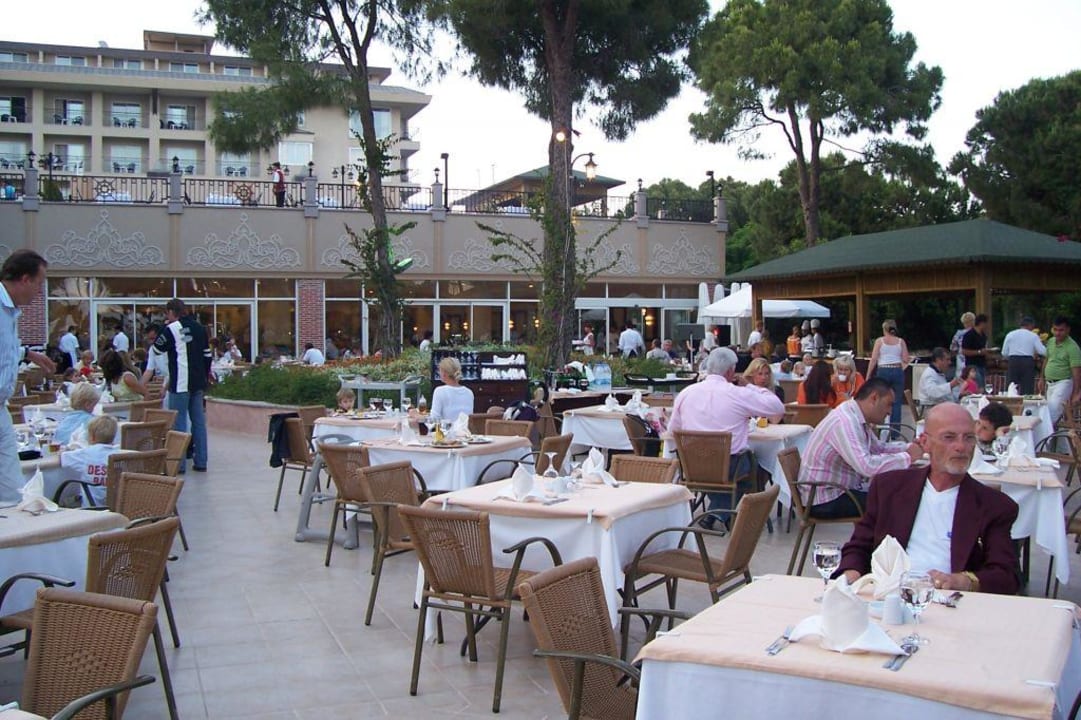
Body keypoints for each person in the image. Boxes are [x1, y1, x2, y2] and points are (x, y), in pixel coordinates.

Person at [837, 403, 1020, 595]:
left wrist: (963, 580)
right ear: (925, 442)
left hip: (950, 601)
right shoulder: (889, 488)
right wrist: (852, 575)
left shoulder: (993, 506)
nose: (961, 447)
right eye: (949, 437)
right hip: (887, 598)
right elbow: (859, 546)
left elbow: (1006, 576)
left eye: (969, 438)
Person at [668, 347, 784, 526]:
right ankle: (718, 513)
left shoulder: (686, 393)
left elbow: (673, 429)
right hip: (728, 465)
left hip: (692, 465)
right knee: (754, 467)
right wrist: (750, 385)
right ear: (731, 370)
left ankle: (718, 513)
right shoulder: (738, 394)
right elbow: (777, 408)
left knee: (734, 468)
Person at [799, 378, 922, 518]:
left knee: (894, 490)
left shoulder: (855, 415)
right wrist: (908, 457)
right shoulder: (846, 422)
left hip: (837, 491)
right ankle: (885, 540)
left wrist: (909, 448)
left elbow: (878, 448)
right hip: (824, 499)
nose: (890, 412)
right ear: (874, 398)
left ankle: (879, 539)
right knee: (897, 500)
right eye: (889, 405)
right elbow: (867, 467)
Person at [0, 249, 56, 502]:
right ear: (25, 279)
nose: (39, 291)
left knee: (13, 490)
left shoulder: (9, 312)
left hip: (2, 407)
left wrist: (28, 353)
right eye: (39, 283)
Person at [155, 298, 212, 473]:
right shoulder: (200, 329)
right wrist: (204, 374)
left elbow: (157, 348)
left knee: (179, 423)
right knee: (199, 422)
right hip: (198, 382)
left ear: (171, 312)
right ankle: (201, 461)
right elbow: (207, 355)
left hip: (180, 382)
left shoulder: (171, 329)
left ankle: (178, 464)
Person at [59, 415, 120, 507]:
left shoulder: (85, 454)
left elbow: (63, 457)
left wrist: (64, 450)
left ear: (92, 437)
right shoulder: (120, 455)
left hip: (91, 506)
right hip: (115, 506)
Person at [866, 319, 909, 429]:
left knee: (880, 398)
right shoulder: (901, 341)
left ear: (884, 329)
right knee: (897, 401)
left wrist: (868, 375)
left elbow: (874, 359)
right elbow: (905, 358)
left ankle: (879, 426)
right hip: (897, 370)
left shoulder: (880, 341)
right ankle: (895, 432)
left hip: (883, 370)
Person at [1039, 316, 1081, 426]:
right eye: (1055, 329)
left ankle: (1047, 442)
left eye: (1061, 330)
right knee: (1053, 414)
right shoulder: (1051, 341)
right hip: (1050, 383)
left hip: (1063, 383)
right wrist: (1041, 378)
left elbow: (1076, 371)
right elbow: (1046, 360)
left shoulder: (1073, 347)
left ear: (1068, 330)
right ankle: (1062, 443)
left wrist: (1076, 393)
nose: (1057, 333)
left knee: (1052, 414)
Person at [1002, 316, 1045, 395]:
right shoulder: (1033, 336)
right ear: (1031, 325)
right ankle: (1026, 405)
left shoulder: (1010, 334)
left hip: (1013, 360)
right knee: (1027, 387)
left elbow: (1004, 352)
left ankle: (1010, 404)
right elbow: (1042, 351)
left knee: (1012, 387)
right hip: (1027, 361)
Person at [430, 357, 474, 421]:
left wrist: (418, 417)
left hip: (447, 430)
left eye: (439, 370)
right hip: (465, 430)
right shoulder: (469, 392)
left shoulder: (439, 391)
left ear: (444, 373)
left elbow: (434, 419)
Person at [960, 313, 990, 389]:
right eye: (986, 323)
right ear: (982, 323)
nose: (987, 326)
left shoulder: (983, 336)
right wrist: (979, 352)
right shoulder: (969, 335)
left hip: (982, 364)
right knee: (977, 385)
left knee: (982, 386)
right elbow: (964, 351)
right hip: (972, 365)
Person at [950, 311, 975, 379]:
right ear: (973, 322)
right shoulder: (977, 334)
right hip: (975, 362)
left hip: (961, 361)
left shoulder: (958, 334)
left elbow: (953, 348)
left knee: (961, 381)